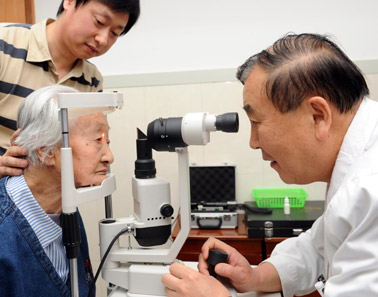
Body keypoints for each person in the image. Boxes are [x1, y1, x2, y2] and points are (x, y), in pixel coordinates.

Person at [162, 33, 378, 297]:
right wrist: (256, 276)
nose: (253, 142)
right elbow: (319, 247)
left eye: (257, 122)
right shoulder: (358, 164)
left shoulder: (371, 185)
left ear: (317, 116)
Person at [0, 0, 140, 255]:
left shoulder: (91, 79)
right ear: (69, 2)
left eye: (115, 33)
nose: (103, 39)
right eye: (99, 22)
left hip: (44, 202)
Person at [0, 85, 114, 297]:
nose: (109, 157)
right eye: (98, 141)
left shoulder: (63, 207)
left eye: (107, 140)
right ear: (45, 150)